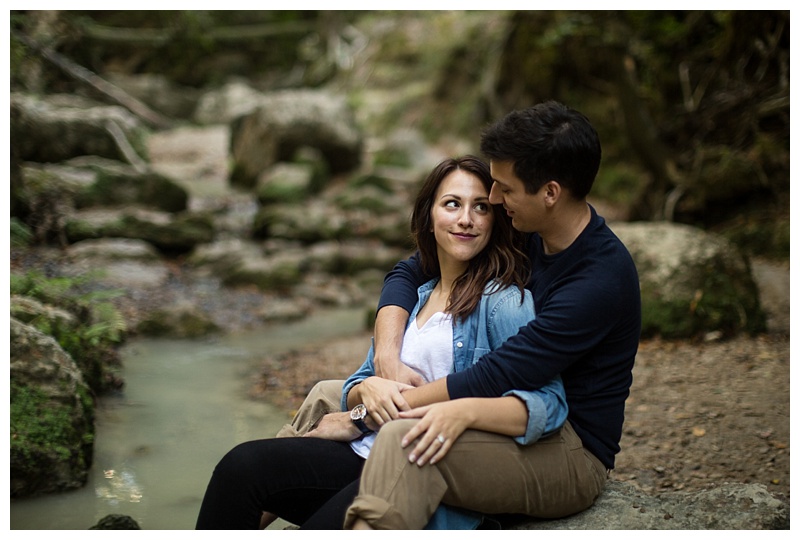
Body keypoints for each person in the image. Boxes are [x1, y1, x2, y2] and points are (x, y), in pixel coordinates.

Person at [195, 155, 568, 530]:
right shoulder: (416, 298)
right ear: (429, 216)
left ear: (495, 220)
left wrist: (463, 413)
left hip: (414, 473)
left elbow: (547, 403)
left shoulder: (503, 302)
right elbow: (358, 387)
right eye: (452, 204)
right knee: (239, 469)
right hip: (362, 453)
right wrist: (368, 390)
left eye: (481, 208)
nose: (466, 219)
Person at [342, 101, 641, 529]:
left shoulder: (599, 280)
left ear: (550, 193)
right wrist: (386, 360)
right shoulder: (529, 234)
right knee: (333, 391)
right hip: (509, 416)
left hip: (568, 447)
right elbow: (409, 270)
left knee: (403, 438)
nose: (495, 199)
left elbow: (500, 373)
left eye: (505, 188)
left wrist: (378, 406)